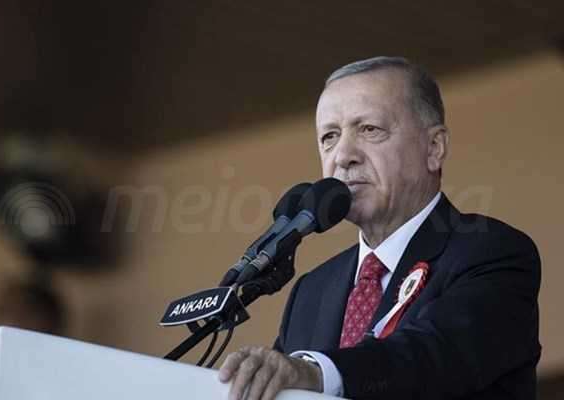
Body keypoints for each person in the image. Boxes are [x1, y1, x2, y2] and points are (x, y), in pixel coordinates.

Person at [218, 57, 541, 400]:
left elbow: (431, 356)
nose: (343, 155)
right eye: (329, 137)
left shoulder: (493, 252)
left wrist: (316, 372)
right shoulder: (311, 292)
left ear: (434, 148)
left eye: (370, 129)